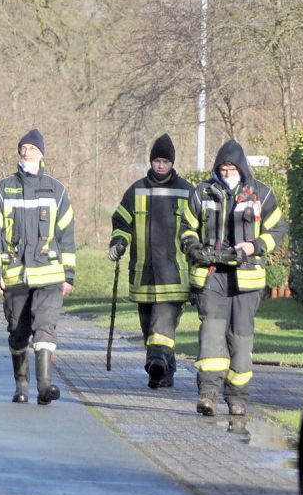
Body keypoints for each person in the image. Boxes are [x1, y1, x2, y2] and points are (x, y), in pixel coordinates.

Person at [179, 140, 286, 416]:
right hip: (211, 275)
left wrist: (253, 247)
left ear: (241, 167)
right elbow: (186, 228)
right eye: (222, 169)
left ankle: (237, 397)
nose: (227, 174)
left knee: (240, 340)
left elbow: (277, 231)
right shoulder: (201, 193)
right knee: (211, 335)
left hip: (246, 278)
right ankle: (208, 394)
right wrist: (193, 247)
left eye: (231, 169)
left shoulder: (261, 194)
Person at [0, 129, 75, 405]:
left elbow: (67, 236)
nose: (27, 153)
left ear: (42, 154)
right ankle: (21, 385)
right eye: (23, 149)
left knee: (45, 328)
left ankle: (45, 385)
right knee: (18, 330)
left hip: (49, 275)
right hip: (15, 275)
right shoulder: (2, 189)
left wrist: (68, 275)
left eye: (32, 149)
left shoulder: (57, 191)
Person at [108, 134, 193, 389]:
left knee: (161, 325)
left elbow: (198, 227)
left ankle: (155, 366)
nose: (160, 165)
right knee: (149, 327)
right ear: (151, 161)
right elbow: (121, 222)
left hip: (174, 275)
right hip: (143, 273)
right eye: (157, 160)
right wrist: (119, 243)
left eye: (165, 161)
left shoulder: (187, 191)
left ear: (172, 163)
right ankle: (166, 371)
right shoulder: (136, 190)